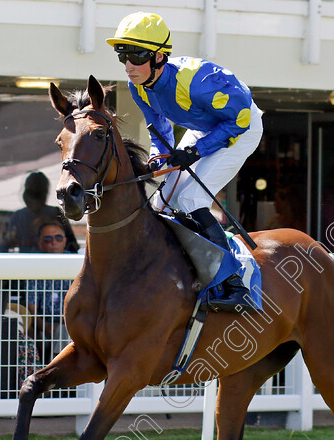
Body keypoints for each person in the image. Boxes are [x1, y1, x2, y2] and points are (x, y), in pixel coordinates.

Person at [107, 12, 263, 313]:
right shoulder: (137, 85)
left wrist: (195, 152)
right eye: (122, 55)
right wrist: (159, 156)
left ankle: (234, 282)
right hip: (205, 128)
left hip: (241, 128)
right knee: (163, 199)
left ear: (160, 57)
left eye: (136, 56)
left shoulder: (197, 81)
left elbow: (240, 118)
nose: (128, 66)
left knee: (191, 197)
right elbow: (160, 130)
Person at [0, 171, 79, 254]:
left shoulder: (56, 213)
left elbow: (72, 247)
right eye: (32, 191)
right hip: (26, 262)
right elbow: (4, 247)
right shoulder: (18, 216)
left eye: (58, 238)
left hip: (53, 262)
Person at [27, 221, 72, 363]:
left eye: (58, 238)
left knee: (63, 332)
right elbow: (31, 308)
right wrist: (44, 326)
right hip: (45, 324)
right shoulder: (34, 267)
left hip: (74, 322)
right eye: (48, 239)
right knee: (61, 333)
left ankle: (58, 369)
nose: (54, 242)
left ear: (64, 241)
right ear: (40, 244)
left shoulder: (76, 263)